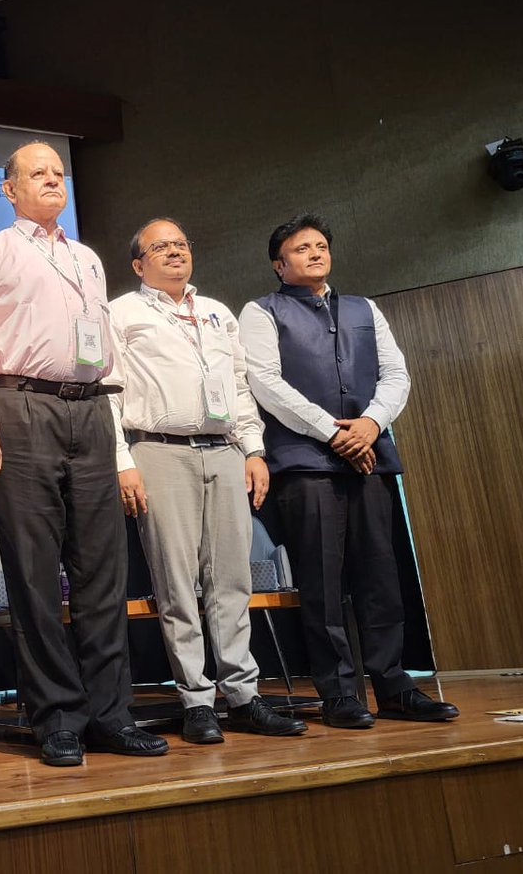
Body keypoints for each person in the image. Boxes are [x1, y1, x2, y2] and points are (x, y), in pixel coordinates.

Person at [0, 141, 168, 766]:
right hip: (21, 405)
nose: (54, 181)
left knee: (102, 572)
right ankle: (54, 716)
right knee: (32, 570)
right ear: (8, 189)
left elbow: (99, 350)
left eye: (59, 173)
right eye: (38, 174)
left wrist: (117, 442)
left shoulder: (86, 259)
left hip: (90, 407)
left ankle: (110, 713)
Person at [238, 213, 459, 728]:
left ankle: (395, 686)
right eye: (300, 249)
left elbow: (396, 374)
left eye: (320, 246)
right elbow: (266, 384)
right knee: (322, 582)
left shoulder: (364, 307)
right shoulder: (261, 311)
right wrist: (333, 433)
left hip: (368, 459)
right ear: (279, 264)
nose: (314, 253)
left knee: (381, 578)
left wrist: (369, 423)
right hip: (305, 465)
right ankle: (338, 692)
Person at [105, 218, 307, 744]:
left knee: (232, 580)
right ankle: (197, 699)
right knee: (176, 583)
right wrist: (123, 459)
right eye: (160, 246)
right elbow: (109, 392)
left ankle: (243, 694)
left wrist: (254, 450)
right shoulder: (120, 313)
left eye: (181, 243)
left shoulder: (217, 312)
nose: (174, 252)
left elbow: (240, 387)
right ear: (137, 264)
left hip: (224, 451)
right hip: (158, 449)